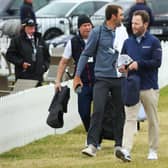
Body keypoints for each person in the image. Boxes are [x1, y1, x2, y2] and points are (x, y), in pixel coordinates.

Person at [73, 5, 125, 157]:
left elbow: (128, 53)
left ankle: (118, 145)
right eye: (121, 15)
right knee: (98, 111)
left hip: (119, 78)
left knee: (119, 112)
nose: (123, 17)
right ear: (113, 16)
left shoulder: (123, 32)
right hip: (101, 78)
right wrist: (77, 76)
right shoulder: (97, 32)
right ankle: (92, 145)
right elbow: (85, 54)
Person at [116, 10, 162, 162]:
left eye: (137, 23)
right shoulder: (127, 42)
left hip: (149, 86)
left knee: (152, 120)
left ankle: (153, 150)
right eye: (132, 23)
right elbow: (121, 61)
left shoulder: (154, 42)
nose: (133, 26)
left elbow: (157, 62)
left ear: (145, 24)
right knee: (129, 119)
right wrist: (121, 68)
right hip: (132, 86)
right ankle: (126, 150)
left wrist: (139, 64)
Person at [55, 15, 94, 132]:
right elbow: (63, 62)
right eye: (84, 26)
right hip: (81, 82)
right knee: (83, 112)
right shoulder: (73, 43)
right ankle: (91, 133)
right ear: (79, 28)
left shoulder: (97, 39)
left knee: (100, 112)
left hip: (99, 82)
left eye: (89, 25)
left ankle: (95, 138)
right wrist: (58, 80)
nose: (87, 28)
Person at [6, 18, 50, 86]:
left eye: (33, 27)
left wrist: (44, 67)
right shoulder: (17, 40)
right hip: (23, 76)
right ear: (24, 28)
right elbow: (9, 55)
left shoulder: (39, 39)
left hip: (38, 76)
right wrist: (21, 63)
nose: (32, 30)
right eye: (29, 28)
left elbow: (47, 56)